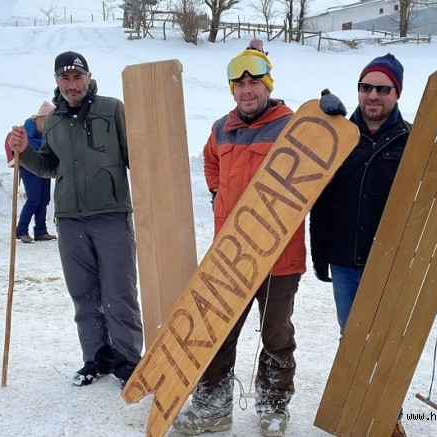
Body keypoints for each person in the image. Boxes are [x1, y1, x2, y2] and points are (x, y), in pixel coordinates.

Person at [311, 54, 437, 437]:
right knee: (353, 339)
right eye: (366, 87)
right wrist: (320, 120)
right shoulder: (341, 136)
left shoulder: (416, 141)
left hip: (393, 259)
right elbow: (314, 187)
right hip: (345, 259)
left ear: (396, 93)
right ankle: (357, 414)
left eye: (382, 89)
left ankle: (385, 418)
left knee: (384, 342)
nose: (373, 95)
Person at [172, 48, 305, 437]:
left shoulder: (292, 126)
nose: (247, 90)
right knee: (217, 330)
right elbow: (210, 159)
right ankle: (212, 408)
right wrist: (218, 193)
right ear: (233, 89)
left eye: (254, 83)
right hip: (230, 254)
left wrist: (327, 119)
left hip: (280, 256)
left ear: (268, 86)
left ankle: (273, 406)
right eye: (240, 84)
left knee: (276, 334)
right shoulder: (221, 128)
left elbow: (320, 167)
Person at [7, 51, 142, 388]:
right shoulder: (52, 121)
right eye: (64, 78)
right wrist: (25, 152)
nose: (71, 85)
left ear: (88, 77)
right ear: (57, 81)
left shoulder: (112, 109)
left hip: (111, 215)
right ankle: (96, 358)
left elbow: (135, 156)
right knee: (83, 294)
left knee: (119, 292)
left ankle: (128, 361)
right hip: (69, 219)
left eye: (77, 77)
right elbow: (49, 167)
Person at [15, 101, 57, 244]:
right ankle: (21, 230)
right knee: (34, 200)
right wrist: (46, 145)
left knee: (44, 199)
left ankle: (41, 231)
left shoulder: (49, 128)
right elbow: (28, 143)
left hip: (44, 165)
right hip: (29, 167)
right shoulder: (30, 124)